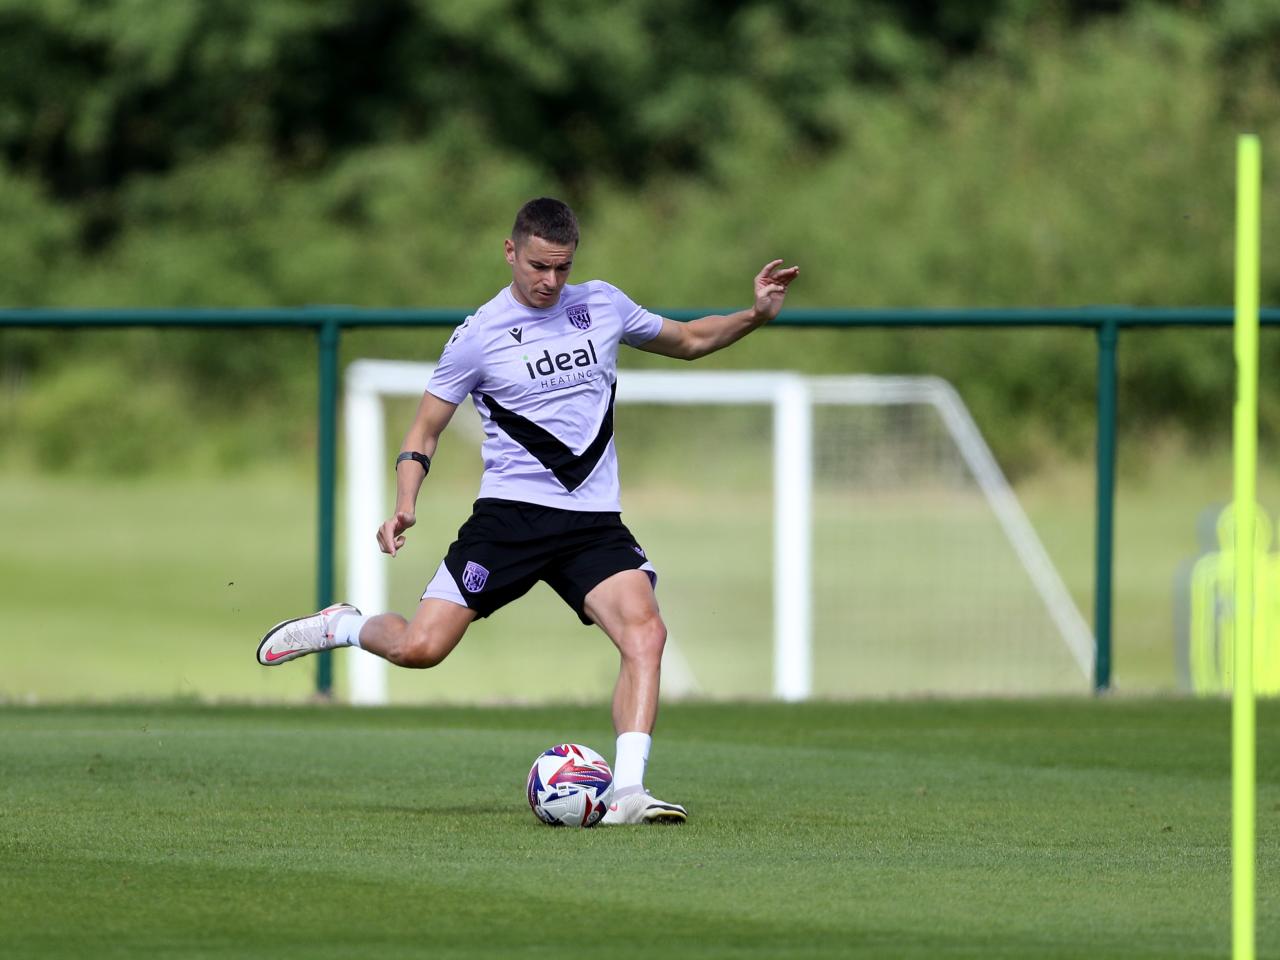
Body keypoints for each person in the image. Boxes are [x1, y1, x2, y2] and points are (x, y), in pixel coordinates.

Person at [257, 197, 799, 825]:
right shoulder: (478, 335)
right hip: (510, 519)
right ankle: (346, 625)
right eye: (539, 266)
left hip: (593, 524)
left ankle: (626, 793)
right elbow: (424, 431)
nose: (550, 281)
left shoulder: (601, 304)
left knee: (645, 633)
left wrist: (755, 316)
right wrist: (405, 503)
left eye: (562, 268)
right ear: (511, 252)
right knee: (420, 650)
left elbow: (691, 339)